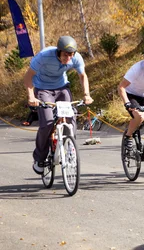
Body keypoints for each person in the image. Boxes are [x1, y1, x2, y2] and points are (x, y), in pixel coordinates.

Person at [23, 36, 94, 174]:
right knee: (48, 123)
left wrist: (86, 94)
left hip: (62, 88)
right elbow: (28, 76)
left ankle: (69, 148)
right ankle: (39, 158)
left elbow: (82, 76)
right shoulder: (44, 56)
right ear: (58, 52)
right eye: (65, 55)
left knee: (70, 117)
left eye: (71, 55)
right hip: (43, 88)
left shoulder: (76, 58)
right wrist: (31, 96)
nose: (68, 58)